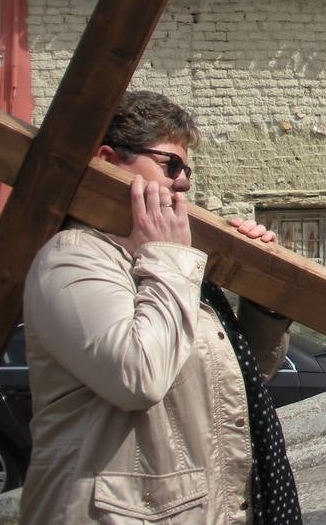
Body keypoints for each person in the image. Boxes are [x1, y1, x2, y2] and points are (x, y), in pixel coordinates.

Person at [22, 90, 301, 523]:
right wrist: (169, 258)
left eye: (187, 169)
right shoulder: (72, 258)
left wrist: (264, 301)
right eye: (170, 165)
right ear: (108, 160)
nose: (184, 182)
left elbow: (236, 383)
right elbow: (138, 376)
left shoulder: (164, 263)